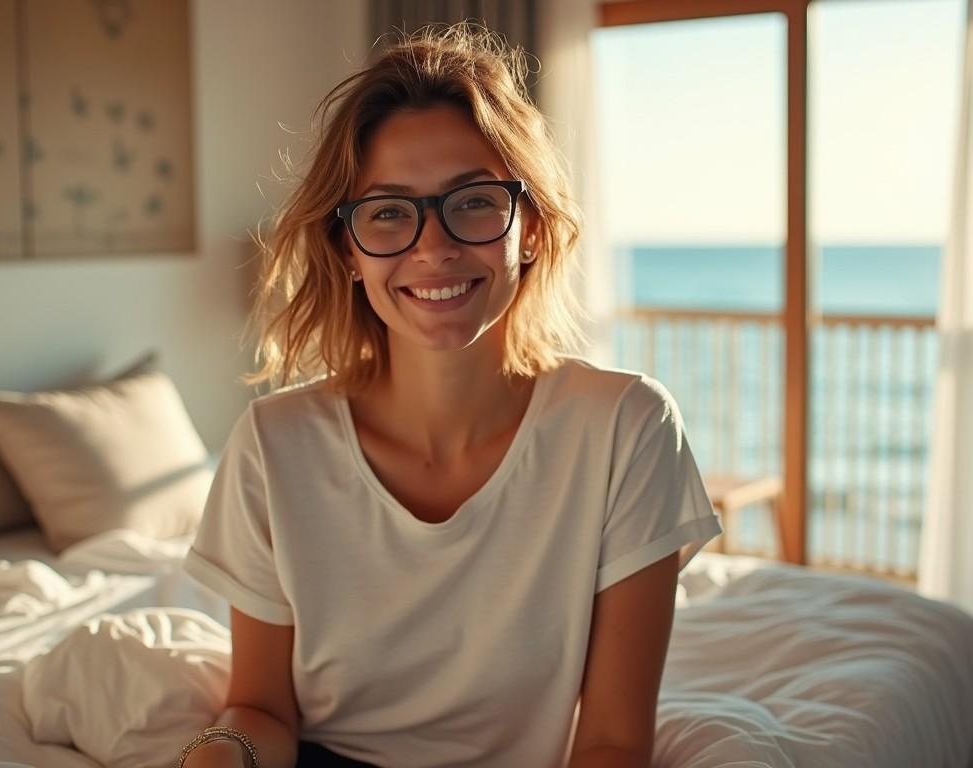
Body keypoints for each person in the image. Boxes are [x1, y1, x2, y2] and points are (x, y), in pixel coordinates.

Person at [178, 23, 722, 768]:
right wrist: (220, 754)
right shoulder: (274, 443)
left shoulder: (626, 428)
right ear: (348, 250)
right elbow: (262, 707)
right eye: (390, 212)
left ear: (527, 227)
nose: (433, 248)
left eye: (471, 201)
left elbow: (610, 743)